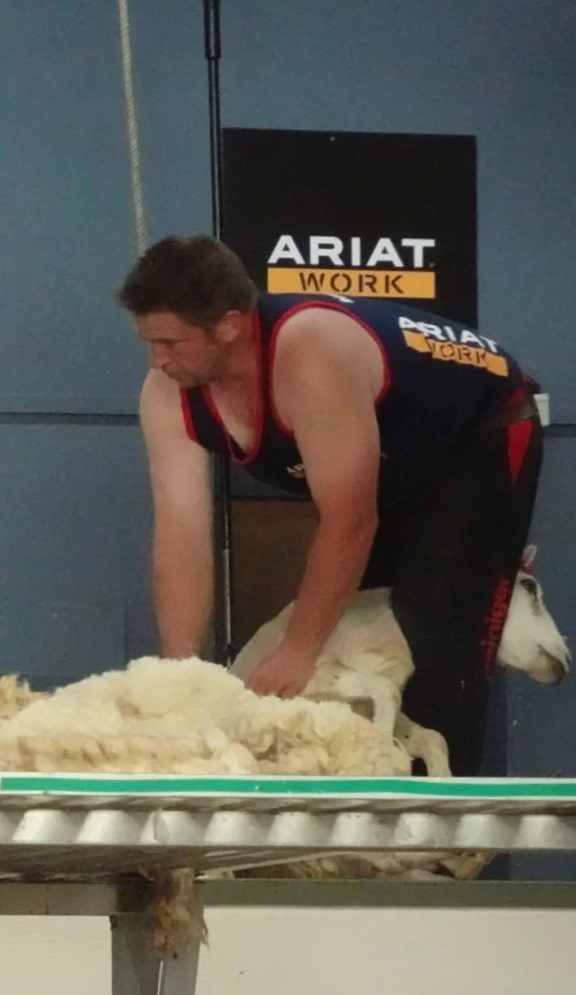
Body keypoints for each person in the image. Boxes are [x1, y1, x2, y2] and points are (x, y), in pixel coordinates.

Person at [118, 234, 543, 777]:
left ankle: (439, 825)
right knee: (360, 639)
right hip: (390, 452)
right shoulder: (165, 391)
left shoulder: (310, 353)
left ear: (227, 326)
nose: (157, 360)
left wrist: (298, 650)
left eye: (171, 343)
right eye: (149, 343)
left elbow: (350, 520)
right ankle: (365, 811)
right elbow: (181, 538)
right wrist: (179, 676)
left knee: (435, 636)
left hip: (478, 437)